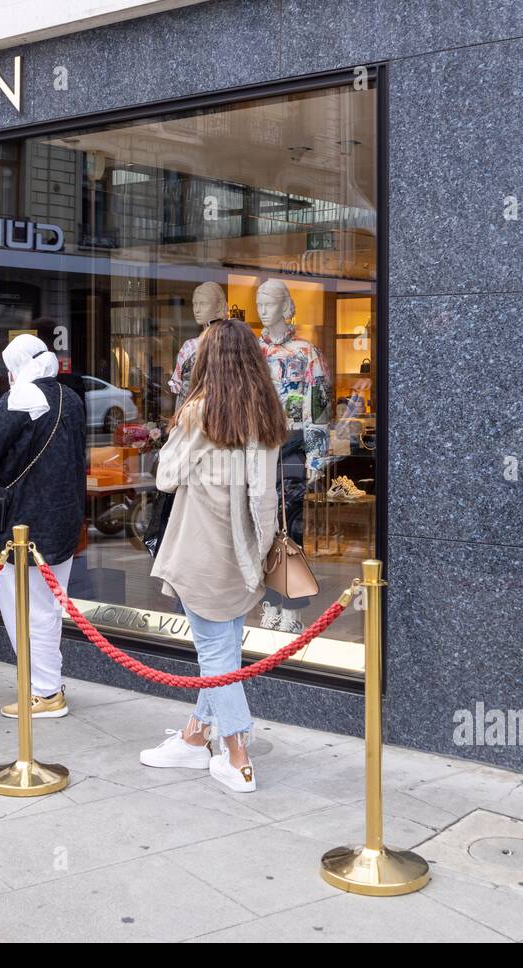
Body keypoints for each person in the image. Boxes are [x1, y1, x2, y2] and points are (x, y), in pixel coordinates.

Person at [140, 318, 288, 793]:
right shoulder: (266, 411)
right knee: (223, 649)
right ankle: (193, 737)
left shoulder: (200, 411)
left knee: (215, 654)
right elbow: (265, 496)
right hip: (246, 551)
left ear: (209, 359)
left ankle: (237, 753)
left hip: (203, 549)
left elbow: (165, 477)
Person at [0, 334, 86, 719]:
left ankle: (46, 692)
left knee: (26, 610)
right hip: (62, 520)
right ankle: (50, 682)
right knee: (49, 608)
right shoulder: (72, 398)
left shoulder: (22, 397)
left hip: (22, 525)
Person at [254, 278, 330, 635]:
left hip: (294, 444)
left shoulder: (306, 351)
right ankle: (268, 601)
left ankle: (292, 606)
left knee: (291, 527)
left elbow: (318, 406)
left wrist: (316, 456)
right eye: (259, 303)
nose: (262, 309)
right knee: (262, 527)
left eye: (268, 303)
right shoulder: (252, 351)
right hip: (257, 448)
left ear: (285, 306)